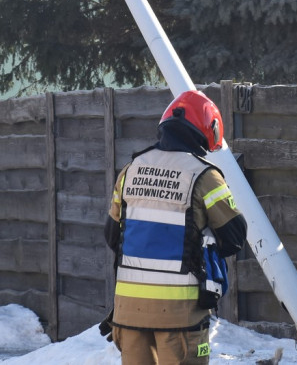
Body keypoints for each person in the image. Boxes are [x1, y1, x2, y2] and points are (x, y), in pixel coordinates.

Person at [102, 90, 248, 365]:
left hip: (129, 314)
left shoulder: (130, 170)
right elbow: (235, 237)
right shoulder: (205, 176)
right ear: (208, 130)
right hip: (180, 316)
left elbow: (111, 236)